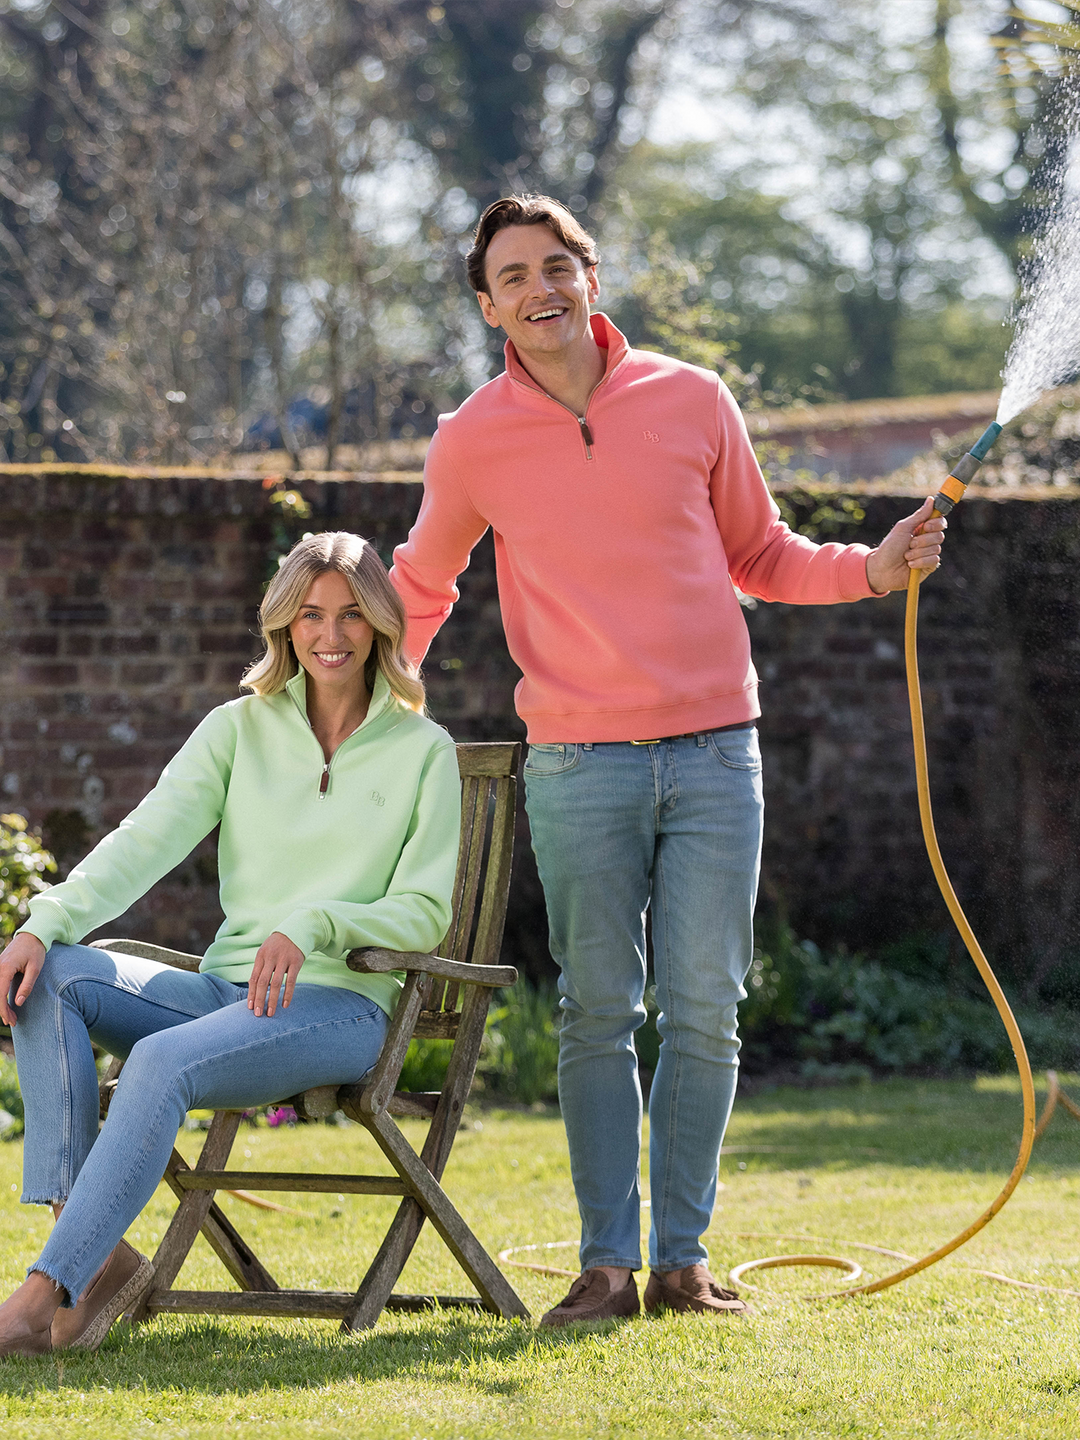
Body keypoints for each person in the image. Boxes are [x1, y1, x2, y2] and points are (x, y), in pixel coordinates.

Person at [390, 195, 947, 1326]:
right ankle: (605, 1267)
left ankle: (682, 1261)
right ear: (487, 304)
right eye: (513, 275)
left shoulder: (693, 399)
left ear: (591, 276)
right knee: (599, 1010)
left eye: (558, 264)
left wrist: (872, 570)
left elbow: (761, 553)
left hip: (713, 755)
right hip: (577, 763)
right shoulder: (473, 438)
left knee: (706, 1006)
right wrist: (338, 700)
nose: (540, 288)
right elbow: (420, 586)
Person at [0, 532, 460, 1355]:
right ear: (283, 625)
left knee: (161, 1061)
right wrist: (42, 922)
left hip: (342, 1006)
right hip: (228, 991)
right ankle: (90, 1257)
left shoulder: (424, 750)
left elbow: (425, 912)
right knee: (55, 977)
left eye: (352, 614)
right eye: (311, 614)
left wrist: (318, 922)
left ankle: (41, 1298)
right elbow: (143, 841)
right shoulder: (238, 729)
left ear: (382, 624)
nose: (331, 635)